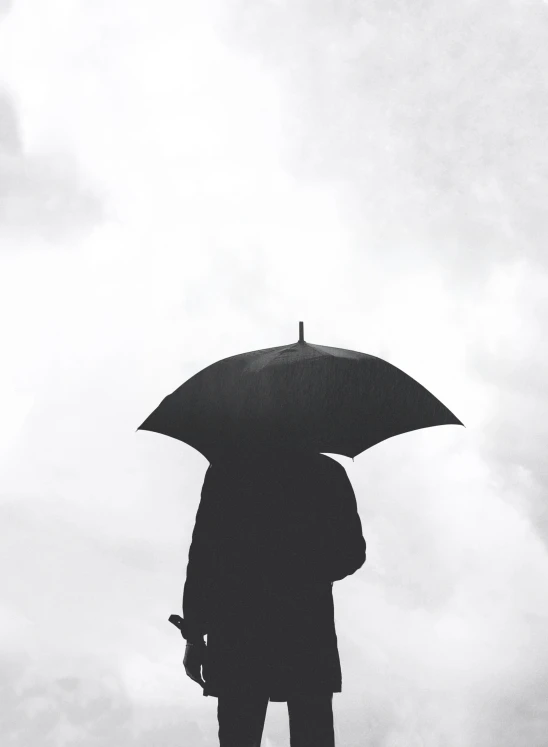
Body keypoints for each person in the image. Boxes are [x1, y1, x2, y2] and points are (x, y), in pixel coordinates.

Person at [180, 445, 366, 747]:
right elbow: (352, 553)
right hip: (306, 631)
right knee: (312, 733)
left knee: (237, 735)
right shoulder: (328, 473)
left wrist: (194, 635)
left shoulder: (226, 472)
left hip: (237, 634)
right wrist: (305, 567)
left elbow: (202, 560)